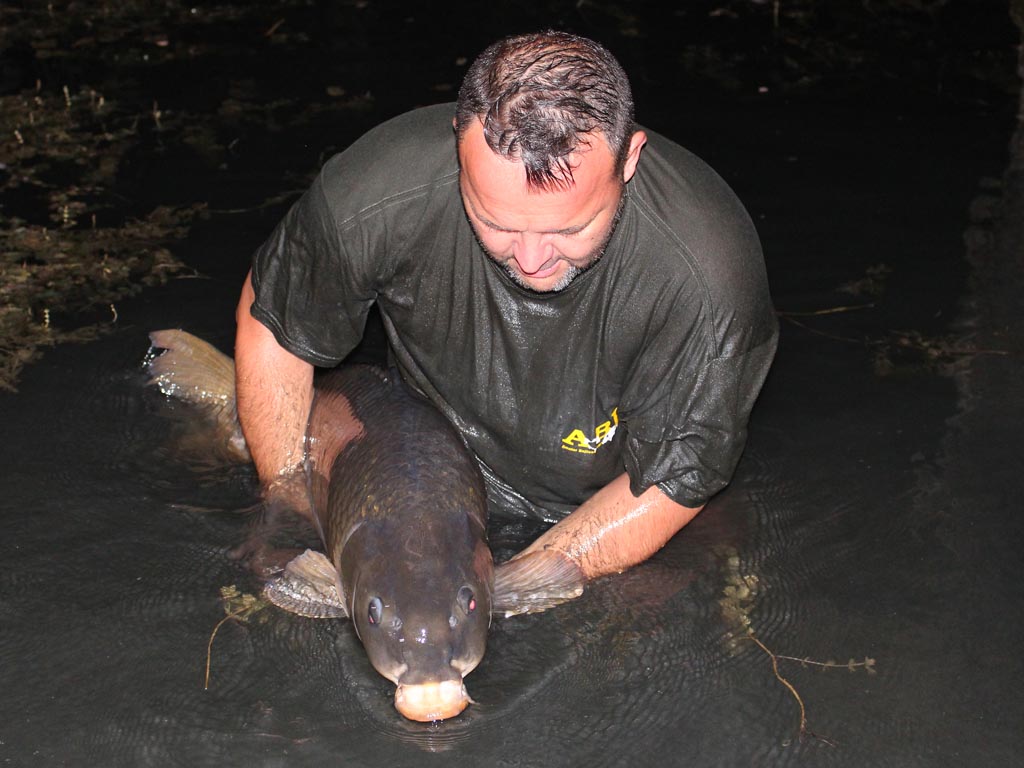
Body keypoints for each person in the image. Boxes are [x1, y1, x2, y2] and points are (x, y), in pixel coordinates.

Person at [234, 30, 778, 584]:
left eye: (569, 227)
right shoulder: (376, 192)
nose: (532, 258)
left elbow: (676, 478)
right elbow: (274, 322)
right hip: (427, 467)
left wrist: (521, 584)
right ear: (457, 143)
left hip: (611, 495)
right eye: (496, 222)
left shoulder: (707, 275)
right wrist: (290, 503)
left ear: (629, 159)